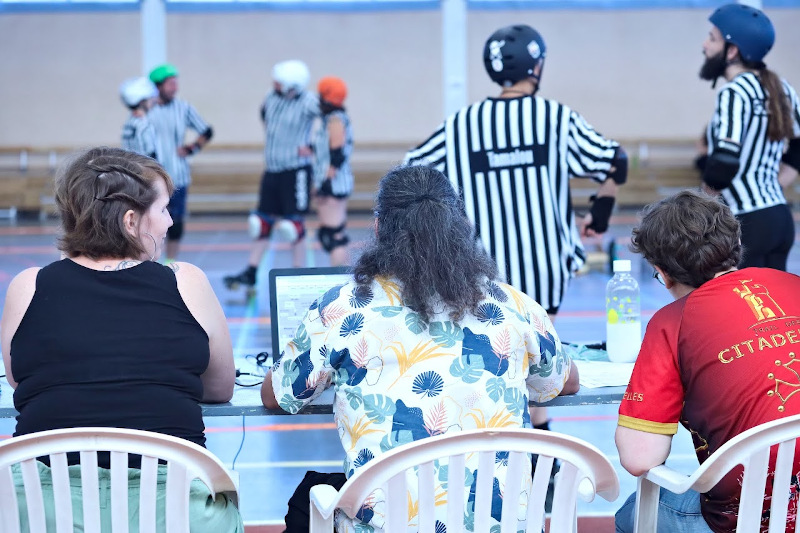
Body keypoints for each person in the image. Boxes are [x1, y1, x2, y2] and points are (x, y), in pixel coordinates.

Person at [262, 165, 580, 532]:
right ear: (459, 227)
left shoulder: (343, 308)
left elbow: (278, 394)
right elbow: (561, 382)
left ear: (380, 228)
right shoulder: (511, 304)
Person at [0, 147, 241, 531]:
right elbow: (218, 387)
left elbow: (21, 380)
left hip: (46, 510)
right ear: (131, 221)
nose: (169, 222)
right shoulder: (186, 281)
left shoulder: (27, 286)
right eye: (163, 210)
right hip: (172, 509)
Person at [404, 22, 627, 437]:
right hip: (547, 265)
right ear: (535, 66)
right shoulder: (556, 117)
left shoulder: (462, 124)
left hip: (480, 268)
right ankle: (543, 449)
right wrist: (600, 212)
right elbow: (615, 160)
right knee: (537, 358)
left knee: (496, 358)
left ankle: (502, 440)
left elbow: (410, 174)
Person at [615, 190, 800, 533]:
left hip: (749, 517)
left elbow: (639, 458)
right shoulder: (792, 284)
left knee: (632, 514)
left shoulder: (674, 321)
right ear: (735, 244)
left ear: (662, 273)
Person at [698, 3, 800, 271]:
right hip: (780, 217)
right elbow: (798, 146)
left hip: (747, 222)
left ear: (732, 51)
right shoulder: (783, 88)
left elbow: (725, 161)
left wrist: (701, 204)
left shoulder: (734, 92)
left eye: (712, 38)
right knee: (777, 310)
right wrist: (777, 184)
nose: (705, 45)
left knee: (742, 308)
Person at [224, 60, 319, 291]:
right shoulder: (271, 96)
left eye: (278, 82)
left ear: (292, 86)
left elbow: (331, 124)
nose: (273, 84)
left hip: (295, 170)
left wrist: (314, 147)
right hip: (272, 169)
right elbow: (267, 119)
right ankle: (251, 272)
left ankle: (299, 274)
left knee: (293, 225)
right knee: (261, 223)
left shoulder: (308, 102)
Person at [148, 63, 214, 262]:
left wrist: (191, 148)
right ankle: (151, 259)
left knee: (175, 221)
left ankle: (171, 261)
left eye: (175, 83)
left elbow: (206, 131)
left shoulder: (183, 108)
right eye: (170, 83)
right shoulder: (147, 109)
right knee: (151, 220)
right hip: (151, 177)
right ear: (158, 86)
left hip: (178, 175)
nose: (174, 87)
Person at [313, 76, 354, 267]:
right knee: (332, 233)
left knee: (333, 234)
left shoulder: (336, 119)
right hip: (333, 180)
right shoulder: (332, 118)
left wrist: (325, 182)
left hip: (334, 182)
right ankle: (342, 274)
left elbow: (337, 153)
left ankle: (340, 276)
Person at [119, 76, 158, 159]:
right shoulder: (144, 124)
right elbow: (150, 153)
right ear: (141, 101)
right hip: (144, 169)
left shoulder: (129, 122)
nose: (153, 102)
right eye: (150, 99)